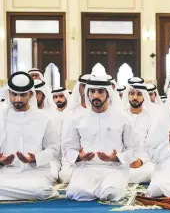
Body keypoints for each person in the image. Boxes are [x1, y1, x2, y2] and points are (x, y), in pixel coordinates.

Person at [62, 76, 139, 201]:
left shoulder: (123, 118)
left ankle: (101, 189)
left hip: (114, 168)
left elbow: (134, 149)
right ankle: (95, 190)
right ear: (87, 93)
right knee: (75, 193)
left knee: (111, 193)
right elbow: (68, 147)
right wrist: (79, 157)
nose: (96, 95)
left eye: (100, 91)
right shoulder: (76, 118)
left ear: (108, 94)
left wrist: (117, 157)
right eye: (92, 91)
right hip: (86, 168)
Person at [0, 71, 59, 200]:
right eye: (14, 94)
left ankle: (8, 194)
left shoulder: (44, 118)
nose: (18, 99)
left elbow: (54, 148)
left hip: (36, 172)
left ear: (31, 94)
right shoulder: (1, 117)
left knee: (42, 191)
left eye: (22, 95)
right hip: (6, 172)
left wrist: (35, 158)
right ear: (8, 93)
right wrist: (1, 161)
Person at [122, 83, 156, 183]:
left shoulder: (151, 118)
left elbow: (152, 146)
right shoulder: (121, 115)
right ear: (128, 96)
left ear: (144, 97)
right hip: (123, 161)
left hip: (145, 161)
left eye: (139, 94)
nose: (135, 97)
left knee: (152, 172)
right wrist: (126, 160)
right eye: (132, 94)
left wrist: (142, 160)